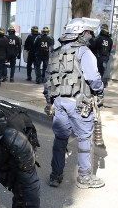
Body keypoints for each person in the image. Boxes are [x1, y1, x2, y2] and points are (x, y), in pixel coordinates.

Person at [44, 17, 105, 189]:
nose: (91, 36)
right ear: (80, 33)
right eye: (89, 32)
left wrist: (50, 101)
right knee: (85, 139)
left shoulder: (56, 52)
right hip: (79, 103)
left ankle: (55, 176)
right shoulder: (84, 52)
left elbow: (47, 80)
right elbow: (93, 78)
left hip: (59, 102)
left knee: (60, 138)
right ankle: (84, 178)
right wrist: (100, 92)